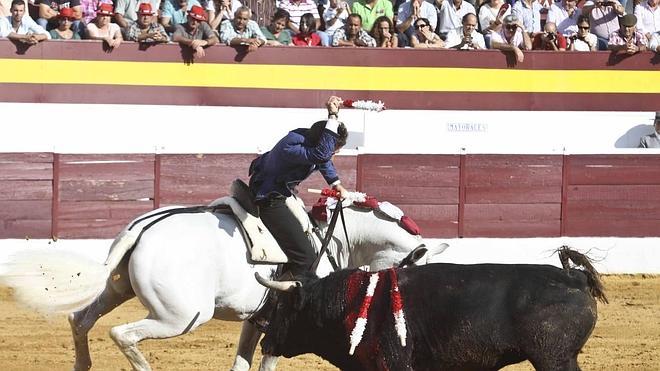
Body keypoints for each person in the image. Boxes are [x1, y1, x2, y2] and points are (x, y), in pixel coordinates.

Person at [248, 96, 349, 277]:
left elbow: (323, 157)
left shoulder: (306, 138)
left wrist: (336, 183)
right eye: (335, 151)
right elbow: (321, 154)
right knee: (307, 258)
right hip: (268, 197)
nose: (334, 154)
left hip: (279, 191)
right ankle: (280, 301)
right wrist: (332, 116)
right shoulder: (292, 146)